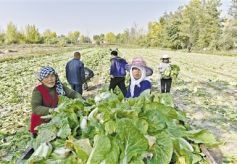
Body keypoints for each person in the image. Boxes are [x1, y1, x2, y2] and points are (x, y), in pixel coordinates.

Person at [30, 66, 82, 137]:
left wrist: (80, 100)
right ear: (41, 80)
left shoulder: (59, 87)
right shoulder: (38, 90)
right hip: (41, 123)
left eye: (52, 76)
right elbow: (35, 108)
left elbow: (73, 94)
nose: (50, 79)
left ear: (56, 77)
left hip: (56, 119)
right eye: (46, 77)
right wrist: (52, 110)